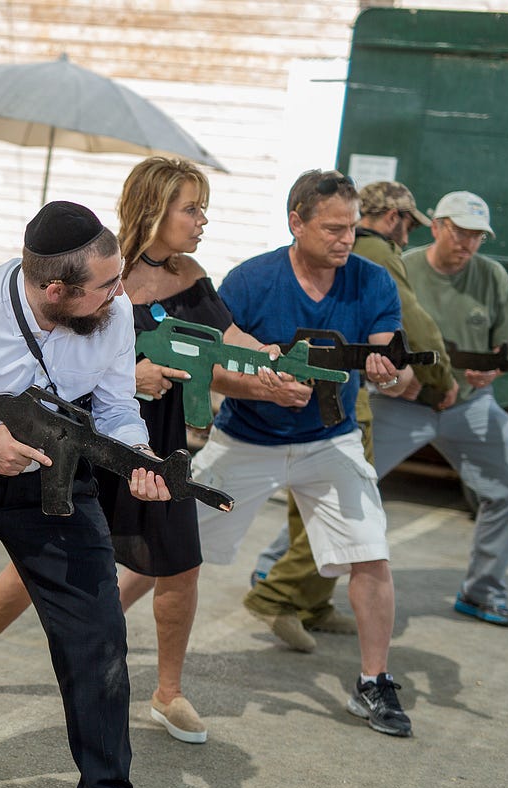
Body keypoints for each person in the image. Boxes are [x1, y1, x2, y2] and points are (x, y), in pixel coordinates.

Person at [0, 158, 303, 747]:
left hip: (141, 436)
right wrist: (131, 374)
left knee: (175, 567)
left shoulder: (186, 277)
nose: (201, 220)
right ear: (155, 208)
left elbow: (222, 348)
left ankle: (166, 692)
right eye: (191, 207)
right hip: (43, 443)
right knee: (23, 567)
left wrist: (274, 368)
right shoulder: (55, 284)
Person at [0, 201, 169, 788]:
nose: (119, 294)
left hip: (57, 471)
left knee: (96, 634)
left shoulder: (113, 306)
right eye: (105, 285)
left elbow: (116, 407)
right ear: (54, 288)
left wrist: (140, 461)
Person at [189, 169, 415, 738]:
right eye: (334, 228)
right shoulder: (249, 281)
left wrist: (389, 374)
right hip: (245, 439)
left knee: (371, 554)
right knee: (168, 544)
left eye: (353, 228)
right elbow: (213, 367)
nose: (346, 239)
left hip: (328, 440)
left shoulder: (371, 281)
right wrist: (263, 386)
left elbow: (386, 354)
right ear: (296, 221)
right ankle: (96, 642)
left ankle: (374, 681)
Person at [246, 181, 457, 650]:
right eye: (407, 222)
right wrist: (441, 376)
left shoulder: (346, 255)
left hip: (336, 398)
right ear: (393, 217)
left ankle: (313, 605)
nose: (407, 233)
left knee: (319, 513)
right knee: (350, 515)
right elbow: (414, 323)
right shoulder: (375, 256)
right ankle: (279, 594)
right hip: (338, 404)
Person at [375, 191, 508, 627]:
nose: (468, 244)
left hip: (469, 404)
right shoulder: (402, 269)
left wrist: (495, 369)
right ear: (438, 226)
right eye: (460, 232)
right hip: (404, 401)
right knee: (343, 477)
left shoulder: (492, 275)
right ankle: (283, 573)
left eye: (477, 236)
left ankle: (482, 593)